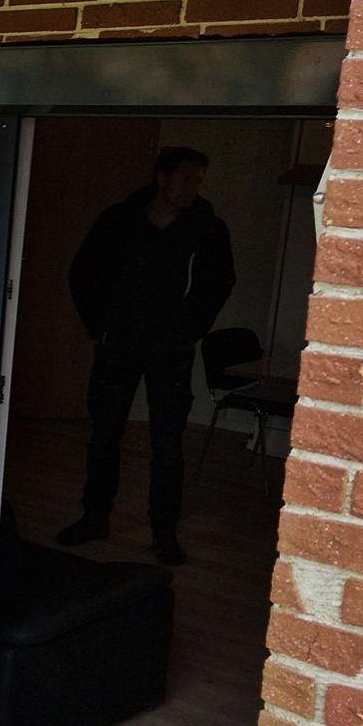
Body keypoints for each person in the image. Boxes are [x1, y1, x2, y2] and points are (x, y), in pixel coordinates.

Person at [58, 146, 235, 566]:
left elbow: (219, 281)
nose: (192, 188)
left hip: (171, 349)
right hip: (117, 343)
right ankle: (95, 517)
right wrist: (100, 326)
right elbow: (83, 272)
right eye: (186, 178)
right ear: (163, 177)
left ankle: (164, 530)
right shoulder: (119, 219)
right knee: (104, 433)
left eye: (198, 181)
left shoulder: (206, 227)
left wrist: (189, 328)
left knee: (167, 441)